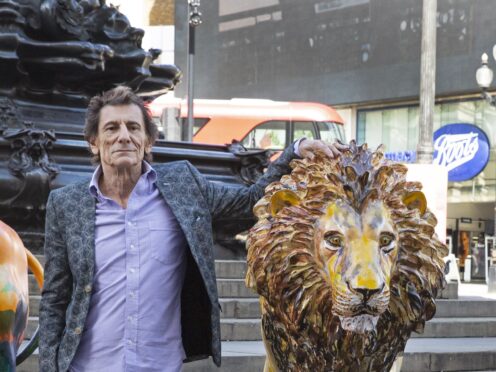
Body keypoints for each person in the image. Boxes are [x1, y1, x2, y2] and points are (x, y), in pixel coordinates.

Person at [39, 86, 346, 372]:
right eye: (111, 127)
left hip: (159, 364)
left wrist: (293, 151)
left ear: (147, 141)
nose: (123, 136)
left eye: (133, 127)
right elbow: (55, 297)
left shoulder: (182, 184)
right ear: (94, 141)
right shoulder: (66, 204)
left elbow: (249, 202)